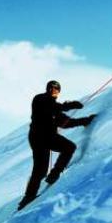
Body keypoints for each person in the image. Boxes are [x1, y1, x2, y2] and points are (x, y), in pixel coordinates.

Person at [18, 80, 96, 211]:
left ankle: (54, 174)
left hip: (48, 137)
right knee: (40, 169)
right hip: (38, 137)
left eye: (56, 90)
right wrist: (69, 105)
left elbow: (66, 122)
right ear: (47, 89)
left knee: (69, 147)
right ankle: (28, 198)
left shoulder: (55, 108)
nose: (53, 91)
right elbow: (51, 106)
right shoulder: (40, 99)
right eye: (51, 89)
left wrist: (85, 121)